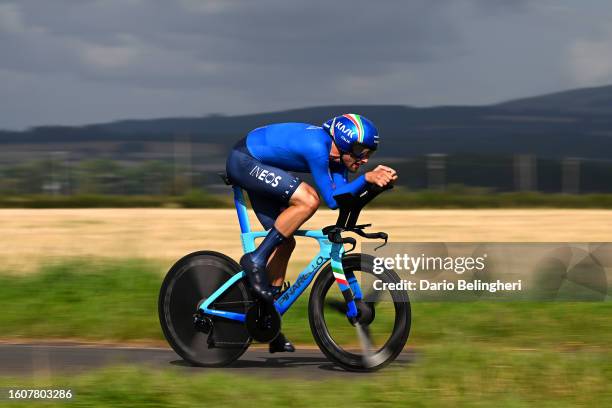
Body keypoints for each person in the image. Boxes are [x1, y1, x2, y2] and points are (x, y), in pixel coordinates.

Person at [225, 114, 397, 353]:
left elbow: (341, 199)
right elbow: (329, 197)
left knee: (285, 243)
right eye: (361, 151)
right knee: (308, 199)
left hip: (259, 164)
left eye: (370, 153)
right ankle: (255, 258)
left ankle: (268, 322)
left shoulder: (338, 161)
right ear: (345, 142)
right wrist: (366, 178)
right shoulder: (318, 147)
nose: (365, 159)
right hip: (245, 160)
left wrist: (374, 186)